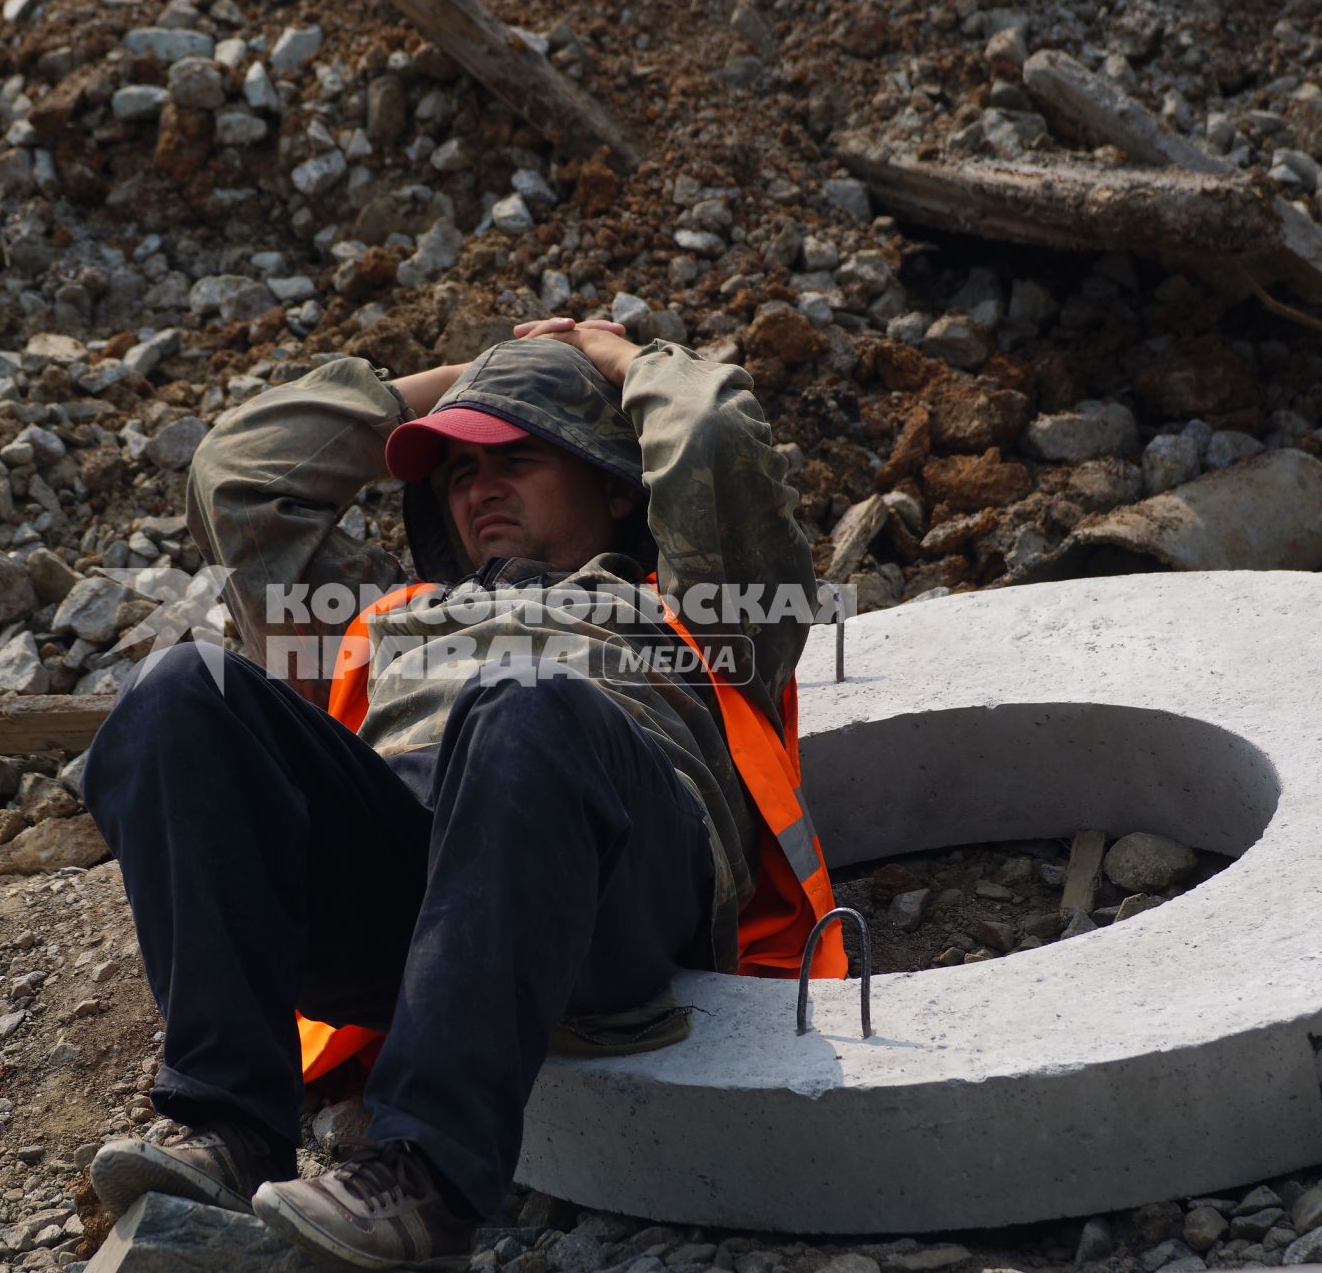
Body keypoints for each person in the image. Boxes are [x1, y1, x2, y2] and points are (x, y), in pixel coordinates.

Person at [80, 316, 832, 1270]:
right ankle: (230, 1128)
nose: (481, 488)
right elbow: (238, 472)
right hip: (424, 893)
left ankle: (425, 1175)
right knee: (180, 688)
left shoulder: (699, 603)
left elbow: (714, 436)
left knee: (524, 696)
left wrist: (612, 361)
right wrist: (462, 381)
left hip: (616, 881)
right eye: (461, 472)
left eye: (517, 457)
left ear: (612, 480)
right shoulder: (390, 613)